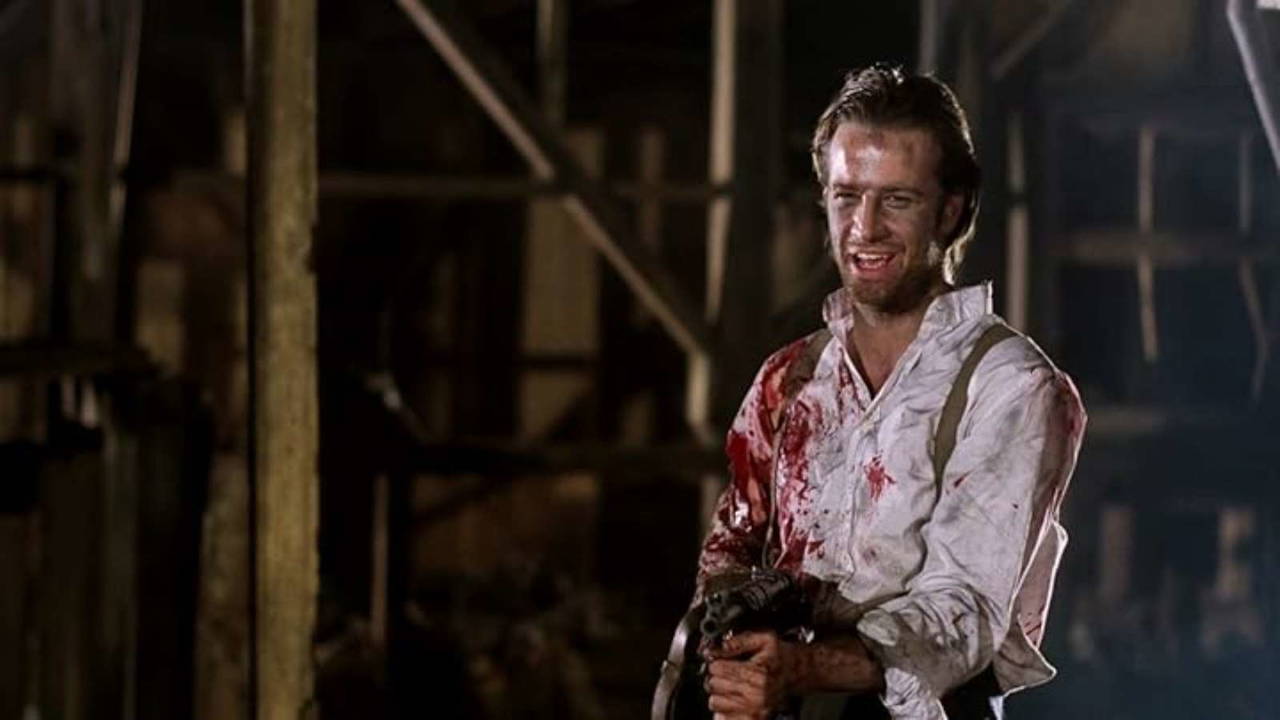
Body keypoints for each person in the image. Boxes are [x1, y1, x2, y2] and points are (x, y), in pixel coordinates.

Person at [693, 65, 1086, 720]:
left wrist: (803, 666)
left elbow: (962, 611)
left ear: (951, 211)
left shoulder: (1010, 387)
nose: (864, 227)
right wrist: (734, 633)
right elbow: (730, 544)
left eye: (897, 200)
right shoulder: (790, 379)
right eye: (847, 196)